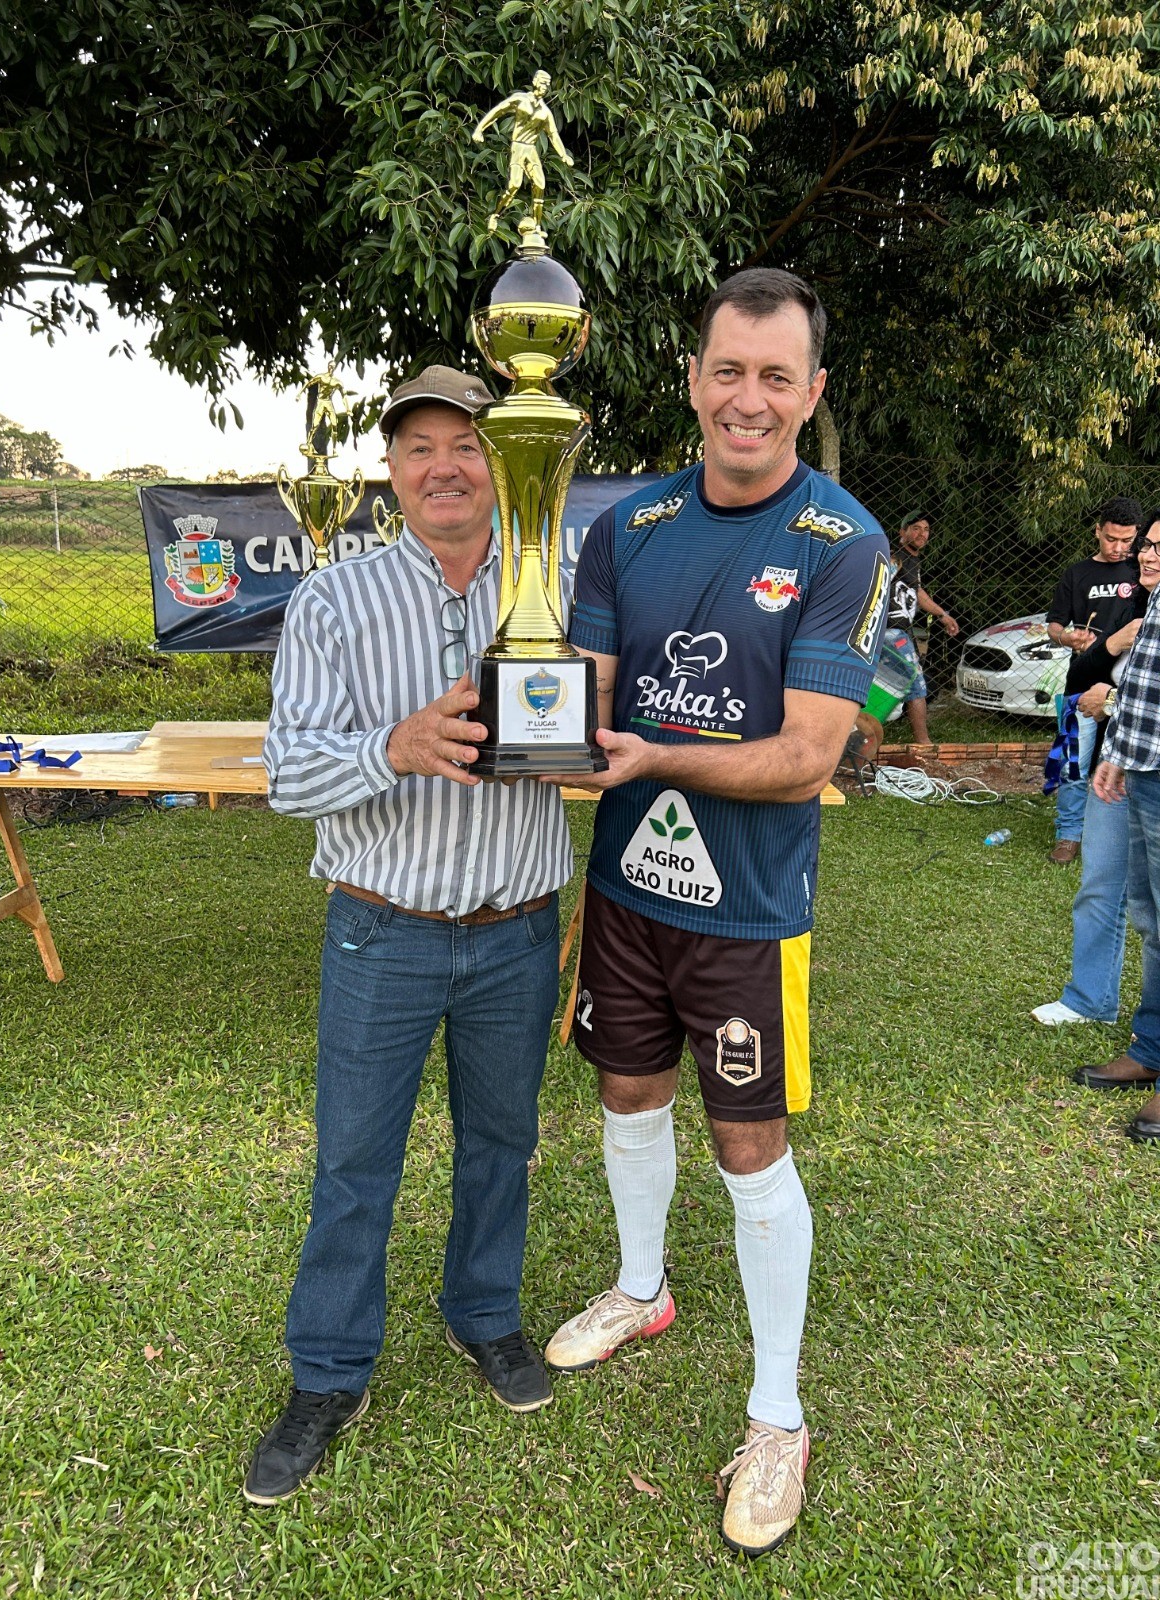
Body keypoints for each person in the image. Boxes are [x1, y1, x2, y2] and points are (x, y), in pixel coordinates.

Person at [544, 268, 890, 1556]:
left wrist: (647, 757)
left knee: (753, 1149)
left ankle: (780, 1413)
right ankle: (643, 1289)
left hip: (749, 913)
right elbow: (582, 705)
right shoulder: (625, 528)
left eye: (776, 376)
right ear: (694, 378)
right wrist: (555, 738)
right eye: (727, 371)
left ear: (811, 392)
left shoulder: (840, 541)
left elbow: (806, 757)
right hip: (628, 895)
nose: (749, 399)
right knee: (624, 1098)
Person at [247, 366, 570, 1505]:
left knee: (502, 1141)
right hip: (380, 930)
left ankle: (484, 1314)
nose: (445, 465)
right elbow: (288, 773)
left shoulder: (557, 591)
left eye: (468, 445)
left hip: (520, 931)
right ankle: (328, 1372)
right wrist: (392, 745)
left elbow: (592, 734)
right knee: (353, 1163)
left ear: (505, 465)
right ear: (391, 471)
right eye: (420, 445)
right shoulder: (333, 601)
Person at [1032, 514, 1160, 1025]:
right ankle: (1090, 999)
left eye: (1150, 545)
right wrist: (1113, 643)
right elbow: (1079, 681)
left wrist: (1112, 698)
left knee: (1152, 911)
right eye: (1143, 545)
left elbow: (1111, 696)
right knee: (1100, 884)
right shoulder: (1129, 603)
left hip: (1143, 762)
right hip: (1116, 760)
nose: (1144, 554)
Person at [1086, 524, 1160, 1143]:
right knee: (1151, 920)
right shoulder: (1154, 602)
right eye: (1149, 545)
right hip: (1142, 770)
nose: (1148, 555)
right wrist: (1115, 751)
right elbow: (1140, 692)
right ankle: (1152, 1050)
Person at [1043, 496, 1141, 864]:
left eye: (1127, 541)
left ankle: (1119, 839)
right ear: (1097, 531)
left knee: (1125, 763)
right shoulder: (1077, 574)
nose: (1118, 548)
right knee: (1074, 762)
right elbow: (1055, 623)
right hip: (1083, 682)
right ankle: (1069, 835)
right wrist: (1066, 638)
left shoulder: (1144, 571)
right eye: (1111, 539)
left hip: (1129, 685)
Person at [884, 511, 959, 744]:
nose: (921, 533)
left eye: (925, 529)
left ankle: (873, 728)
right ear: (902, 533)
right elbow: (877, 582)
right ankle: (923, 743)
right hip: (891, 631)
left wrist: (942, 614)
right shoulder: (895, 558)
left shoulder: (912, 560)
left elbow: (918, 593)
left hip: (901, 631)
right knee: (916, 685)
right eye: (915, 528)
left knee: (904, 684)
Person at [472, 69, 575, 235]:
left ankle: (537, 226)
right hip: (518, 147)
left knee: (540, 185)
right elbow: (497, 111)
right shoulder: (520, 100)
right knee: (514, 185)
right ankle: (495, 215)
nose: (545, 88)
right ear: (534, 82)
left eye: (547, 86)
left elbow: (553, 135)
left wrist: (563, 155)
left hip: (531, 149)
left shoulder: (545, 112)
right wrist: (479, 129)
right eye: (542, 83)